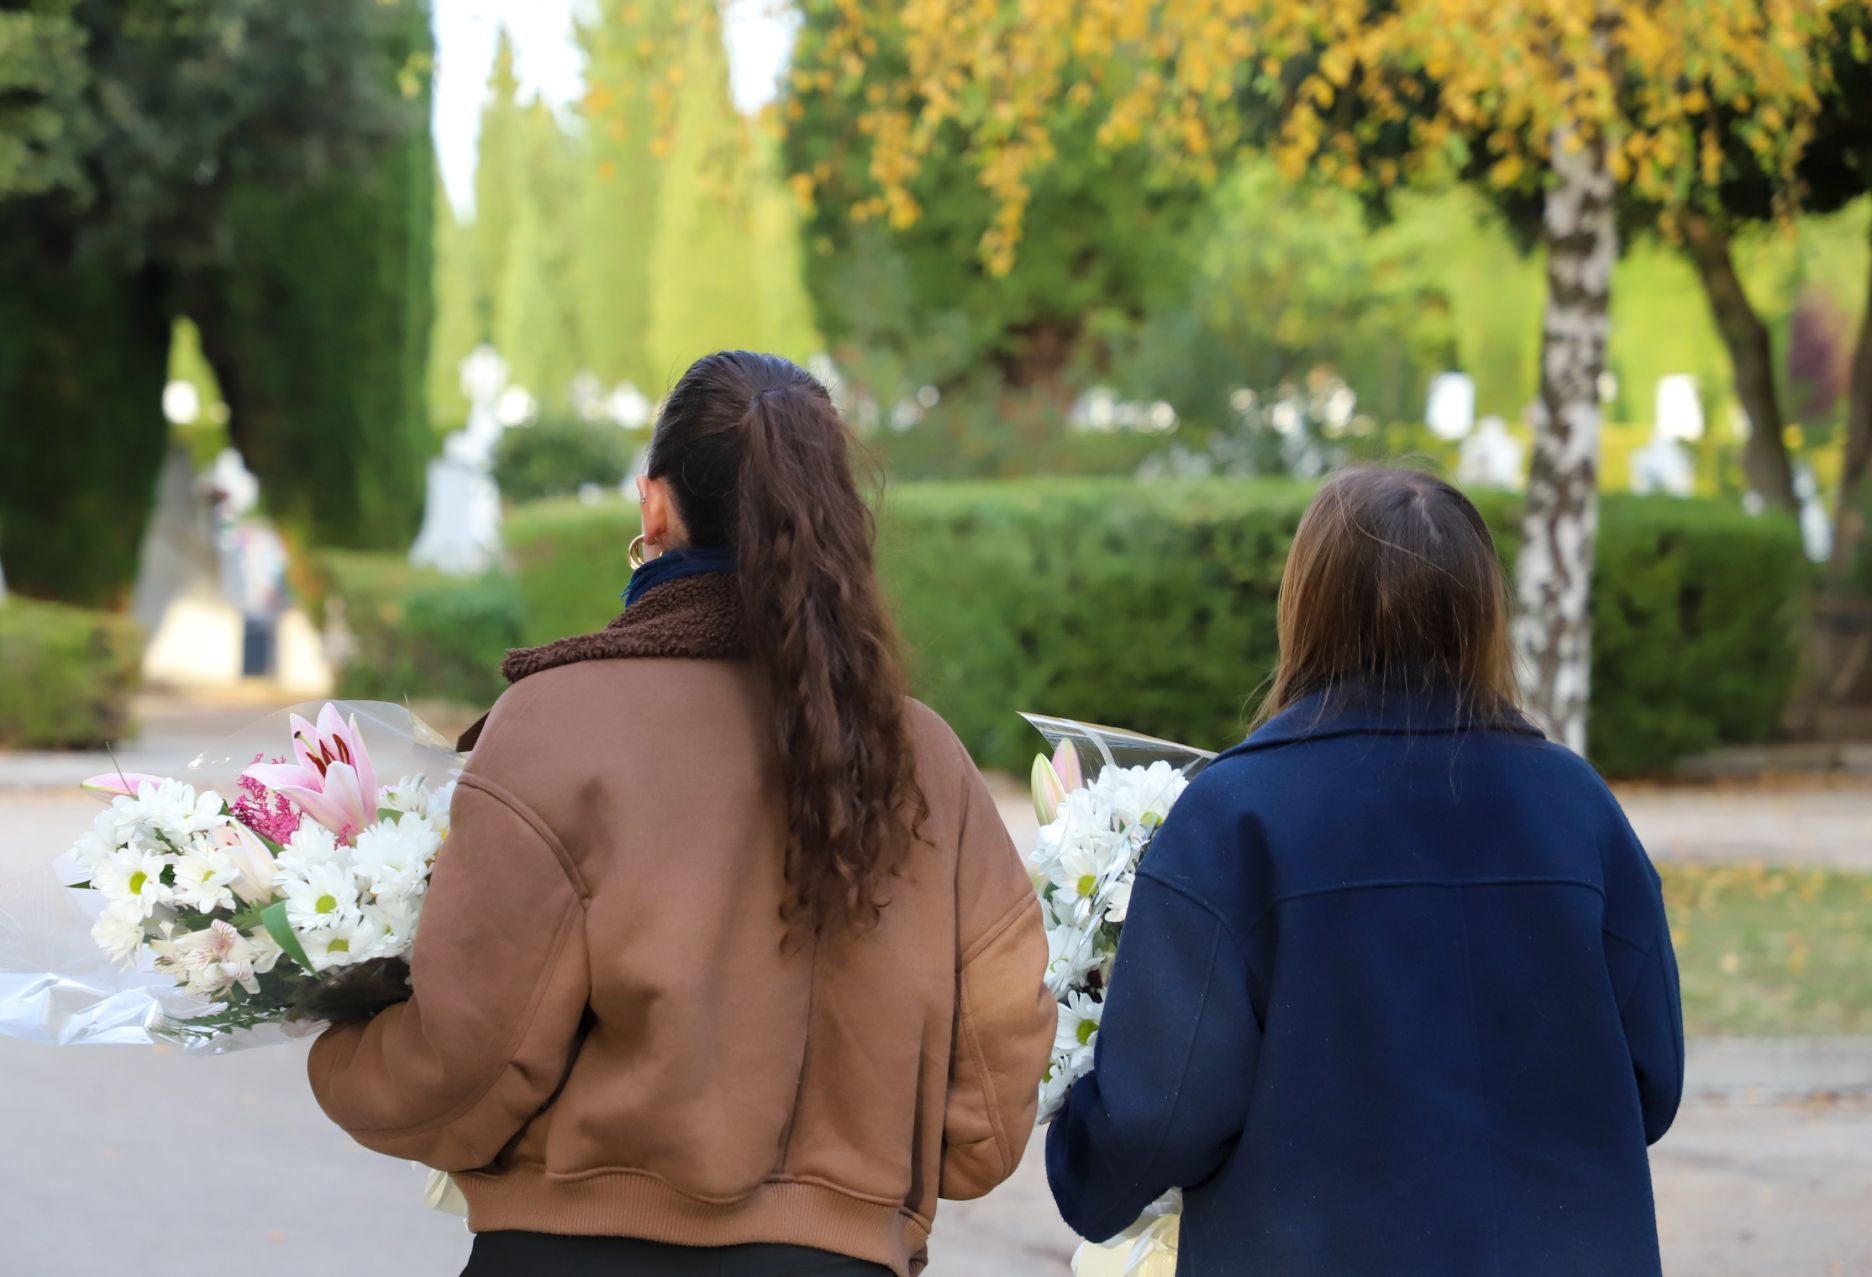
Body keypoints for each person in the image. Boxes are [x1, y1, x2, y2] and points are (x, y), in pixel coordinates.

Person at [309, 350, 1056, 1277]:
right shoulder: (924, 759)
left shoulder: (550, 723)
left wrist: (337, 1052)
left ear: (654, 505)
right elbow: (995, 1072)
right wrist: (862, 1187)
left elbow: (471, 1060)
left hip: (571, 1254)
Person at [1047, 466, 1684, 1276]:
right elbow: (1650, 1083)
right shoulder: (1580, 810)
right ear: (1485, 611)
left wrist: (1081, 1151)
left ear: (1306, 605)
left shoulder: (1237, 817)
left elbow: (1158, 1115)